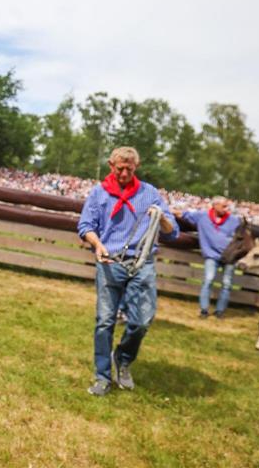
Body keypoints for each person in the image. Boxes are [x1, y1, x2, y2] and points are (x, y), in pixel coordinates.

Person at [77, 146, 178, 397]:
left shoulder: (150, 193)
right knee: (105, 321)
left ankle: (122, 358)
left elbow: (172, 231)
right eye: (119, 168)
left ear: (136, 168)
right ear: (111, 165)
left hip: (141, 263)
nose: (123, 173)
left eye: (129, 169)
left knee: (142, 321)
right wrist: (98, 245)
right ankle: (102, 376)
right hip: (110, 262)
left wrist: (161, 217)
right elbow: (85, 226)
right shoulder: (99, 193)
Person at [174, 197, 241, 318]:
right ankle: (204, 310)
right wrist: (163, 210)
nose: (226, 209)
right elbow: (181, 214)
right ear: (215, 205)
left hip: (229, 257)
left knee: (227, 284)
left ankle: (220, 311)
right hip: (212, 255)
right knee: (208, 280)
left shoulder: (234, 220)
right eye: (223, 206)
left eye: (227, 206)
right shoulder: (202, 216)